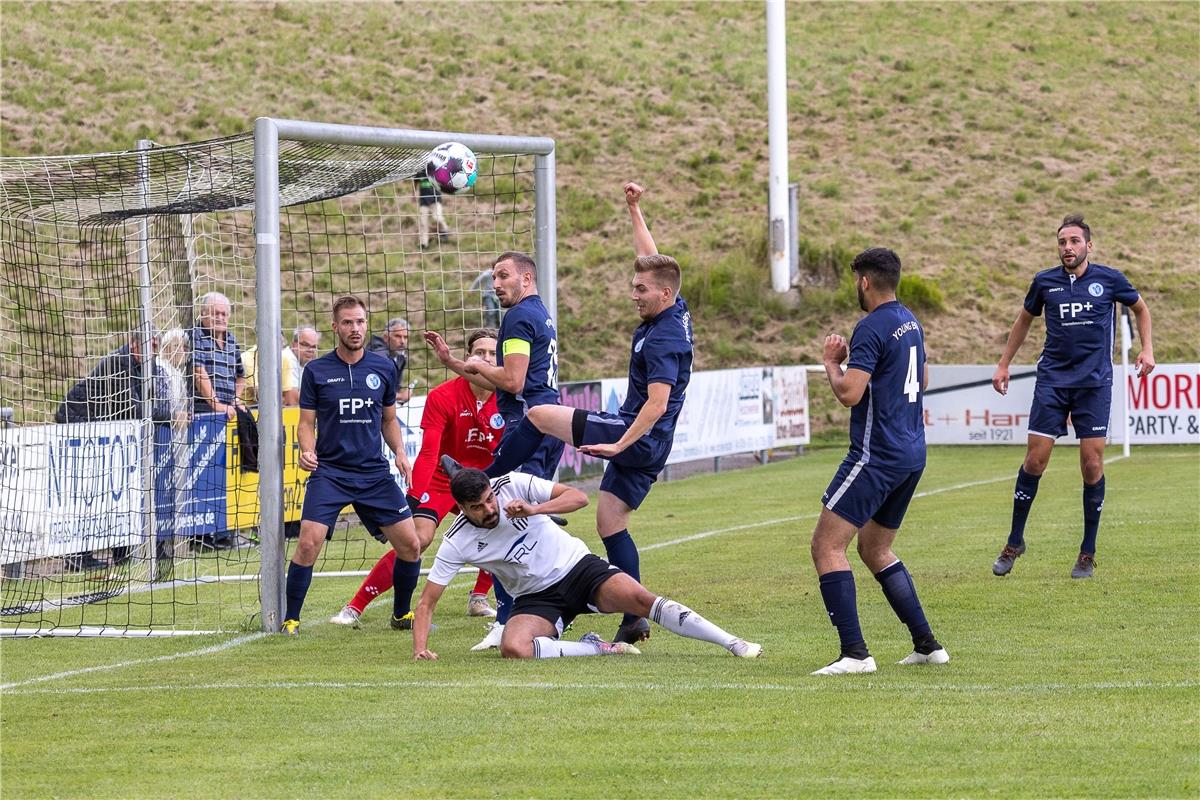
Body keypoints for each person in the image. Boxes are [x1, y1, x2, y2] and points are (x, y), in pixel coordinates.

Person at [468, 182, 691, 646]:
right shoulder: (672, 307)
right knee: (610, 523)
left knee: (539, 415)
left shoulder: (666, 337)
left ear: (664, 294)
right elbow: (653, 261)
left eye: (640, 290)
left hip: (637, 431)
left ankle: (484, 479)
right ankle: (635, 617)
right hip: (653, 442)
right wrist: (634, 209)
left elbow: (657, 403)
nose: (633, 294)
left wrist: (617, 445)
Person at [410, 468, 762, 661]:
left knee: (642, 599)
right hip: (536, 599)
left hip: (578, 568)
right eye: (478, 507)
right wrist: (420, 649)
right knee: (513, 648)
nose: (490, 510)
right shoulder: (457, 540)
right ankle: (598, 647)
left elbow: (577, 497)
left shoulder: (512, 483)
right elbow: (427, 603)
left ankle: (733, 642)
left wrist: (535, 509)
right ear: (460, 508)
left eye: (489, 500)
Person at [990, 214, 1155, 579]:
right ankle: (1015, 541)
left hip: (1094, 384)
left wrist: (1147, 349)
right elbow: (1023, 321)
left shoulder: (1110, 280)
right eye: (1063, 242)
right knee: (1035, 461)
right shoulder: (1044, 282)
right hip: (1052, 381)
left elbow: (1140, 308)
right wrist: (1004, 364)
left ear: (1088, 246)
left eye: (1075, 241)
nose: (1068, 248)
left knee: (1092, 465)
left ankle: (1087, 552)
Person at [809, 247, 948, 675]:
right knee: (875, 548)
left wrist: (833, 363)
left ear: (864, 282)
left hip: (876, 454)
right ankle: (927, 644)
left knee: (826, 546)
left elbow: (849, 393)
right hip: (911, 452)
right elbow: (922, 379)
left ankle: (855, 653)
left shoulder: (870, 326)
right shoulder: (911, 321)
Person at [425, 250, 564, 649]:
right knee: (517, 517)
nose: (496, 284)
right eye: (493, 277)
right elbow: (499, 377)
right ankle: (530, 614)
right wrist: (454, 361)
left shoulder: (518, 317)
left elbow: (513, 381)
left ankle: (513, 619)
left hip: (528, 424)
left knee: (500, 519)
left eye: (503, 275)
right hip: (544, 426)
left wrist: (474, 363)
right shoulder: (540, 313)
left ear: (526, 278)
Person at [329, 329, 503, 629]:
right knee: (416, 540)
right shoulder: (442, 396)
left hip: (485, 480)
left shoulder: (508, 398)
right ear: (467, 358)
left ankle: (479, 597)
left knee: (502, 526)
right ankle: (355, 607)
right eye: (480, 352)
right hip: (442, 478)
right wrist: (413, 495)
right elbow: (428, 454)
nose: (486, 358)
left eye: (492, 353)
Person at [281, 295, 420, 635]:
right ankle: (290, 620)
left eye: (360, 322)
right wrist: (307, 451)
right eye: (348, 322)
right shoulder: (317, 370)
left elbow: (389, 420)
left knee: (411, 545)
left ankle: (401, 614)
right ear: (336, 327)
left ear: (366, 324)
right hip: (330, 472)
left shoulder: (384, 367)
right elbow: (305, 423)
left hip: (373, 472)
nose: (355, 328)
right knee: (308, 542)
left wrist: (400, 451)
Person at [54, 325, 173, 571]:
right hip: (77, 424)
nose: (154, 351)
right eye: (150, 346)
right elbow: (133, 409)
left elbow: (149, 404)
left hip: (105, 431)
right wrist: (171, 415)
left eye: (156, 347)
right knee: (88, 492)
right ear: (133, 344)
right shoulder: (118, 363)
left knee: (120, 490)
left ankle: (122, 551)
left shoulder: (147, 367)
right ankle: (78, 556)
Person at [191, 291, 245, 420]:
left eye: (224, 314)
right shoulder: (196, 335)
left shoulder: (232, 340)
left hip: (228, 412)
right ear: (203, 313)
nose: (220, 318)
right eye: (215, 313)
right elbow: (198, 373)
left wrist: (236, 400)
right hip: (202, 413)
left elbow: (241, 376)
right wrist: (217, 405)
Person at [367, 317, 413, 404]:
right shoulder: (379, 356)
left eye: (406, 337)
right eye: (398, 336)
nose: (402, 341)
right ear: (386, 337)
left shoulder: (400, 357)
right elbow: (374, 390)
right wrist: (400, 396)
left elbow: (395, 387)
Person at [282, 325, 321, 406]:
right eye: (306, 345)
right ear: (294, 344)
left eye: (314, 347)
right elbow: (292, 399)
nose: (310, 350)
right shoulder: (287, 358)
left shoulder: (307, 364)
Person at [413, 173, 451, 249]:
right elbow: (415, 182)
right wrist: (413, 193)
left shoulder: (435, 170)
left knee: (437, 217)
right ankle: (423, 243)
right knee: (423, 222)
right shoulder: (420, 173)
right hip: (423, 201)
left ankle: (444, 231)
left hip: (436, 199)